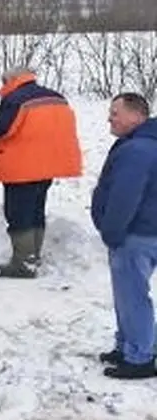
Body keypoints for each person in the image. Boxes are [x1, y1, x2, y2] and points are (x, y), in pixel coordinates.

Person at [0, 67, 83, 278]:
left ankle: (22, 264)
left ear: (11, 80)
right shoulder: (57, 97)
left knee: (18, 213)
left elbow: (3, 127)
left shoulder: (16, 99)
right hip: (49, 164)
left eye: (3, 81)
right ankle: (33, 256)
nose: (2, 86)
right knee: (36, 209)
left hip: (21, 166)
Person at [91, 92, 157, 379]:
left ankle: (141, 357)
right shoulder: (144, 144)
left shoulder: (138, 150)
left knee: (132, 296)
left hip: (136, 233)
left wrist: (112, 231)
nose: (110, 118)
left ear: (136, 116)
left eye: (115, 112)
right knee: (128, 295)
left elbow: (125, 195)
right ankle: (129, 346)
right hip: (146, 229)